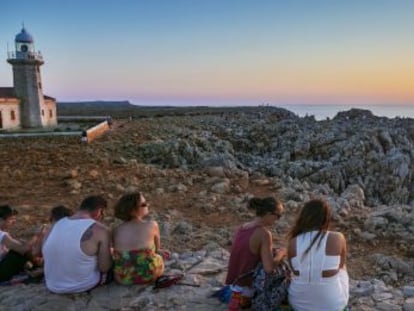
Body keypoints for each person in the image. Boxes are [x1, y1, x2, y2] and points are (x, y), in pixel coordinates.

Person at [287, 198, 349, 311]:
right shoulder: (338, 237)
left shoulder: (293, 242)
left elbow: (292, 270)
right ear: (326, 218)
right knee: (342, 268)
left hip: (298, 304)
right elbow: (340, 265)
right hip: (332, 306)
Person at [42, 195, 112, 293]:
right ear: (98, 211)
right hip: (82, 285)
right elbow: (104, 267)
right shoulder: (100, 229)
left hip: (52, 285)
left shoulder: (56, 225)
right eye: (102, 213)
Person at [225, 196, 285, 309]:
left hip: (234, 285)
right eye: (278, 216)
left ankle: (237, 298)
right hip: (247, 287)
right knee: (284, 272)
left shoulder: (242, 227)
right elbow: (269, 268)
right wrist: (281, 254)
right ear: (268, 213)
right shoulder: (264, 234)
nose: (277, 220)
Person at [112, 192, 164, 285]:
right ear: (133, 210)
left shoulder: (116, 231)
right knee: (159, 257)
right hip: (149, 275)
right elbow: (156, 249)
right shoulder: (152, 225)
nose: (147, 205)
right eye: (143, 204)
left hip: (123, 278)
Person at [0, 205, 32, 282]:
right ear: (1, 220)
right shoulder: (2, 234)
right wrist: (38, 237)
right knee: (18, 252)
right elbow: (23, 249)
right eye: (11, 219)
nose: (14, 222)